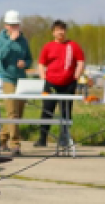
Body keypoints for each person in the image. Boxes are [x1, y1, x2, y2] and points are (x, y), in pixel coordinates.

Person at [36, 20, 85, 149]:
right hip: (50, 83)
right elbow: (41, 63)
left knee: (66, 112)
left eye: (62, 29)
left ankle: (64, 139)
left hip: (68, 84)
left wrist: (77, 75)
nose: (60, 32)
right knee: (47, 111)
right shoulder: (48, 47)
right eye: (58, 30)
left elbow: (80, 61)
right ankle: (42, 138)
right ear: (53, 32)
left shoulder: (73, 46)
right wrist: (43, 78)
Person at [0, 10, 33, 155]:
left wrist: (26, 63)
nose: (14, 27)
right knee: (12, 113)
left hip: (21, 78)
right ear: (6, 26)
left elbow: (30, 58)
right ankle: (15, 144)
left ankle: (2, 137)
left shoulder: (24, 41)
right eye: (11, 25)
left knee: (18, 113)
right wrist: (11, 40)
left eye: (16, 24)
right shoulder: (1, 39)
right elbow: (0, 55)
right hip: (7, 78)